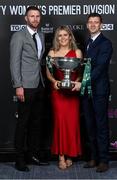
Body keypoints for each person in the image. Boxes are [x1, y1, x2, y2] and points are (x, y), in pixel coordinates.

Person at [10, 6, 48, 171]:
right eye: (31, 16)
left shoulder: (40, 34)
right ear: (26, 18)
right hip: (25, 85)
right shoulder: (19, 36)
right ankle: (19, 159)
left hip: (39, 84)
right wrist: (18, 86)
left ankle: (33, 155)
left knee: (36, 123)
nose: (35, 19)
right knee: (23, 123)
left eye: (37, 16)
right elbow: (14, 62)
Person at [74, 13, 113, 172]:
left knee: (101, 125)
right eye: (90, 22)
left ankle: (103, 160)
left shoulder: (105, 43)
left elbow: (99, 69)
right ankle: (93, 157)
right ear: (87, 24)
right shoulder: (87, 43)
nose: (93, 24)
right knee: (89, 125)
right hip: (86, 92)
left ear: (101, 25)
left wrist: (81, 82)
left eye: (96, 22)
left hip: (99, 91)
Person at [46, 26, 82, 170]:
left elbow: (80, 72)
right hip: (58, 93)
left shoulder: (77, 52)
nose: (62, 38)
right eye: (59, 35)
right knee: (60, 123)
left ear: (70, 36)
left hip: (72, 92)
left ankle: (69, 154)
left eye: (65, 35)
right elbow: (48, 73)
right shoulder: (52, 52)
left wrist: (76, 81)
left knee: (71, 123)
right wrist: (54, 82)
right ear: (57, 38)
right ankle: (61, 156)